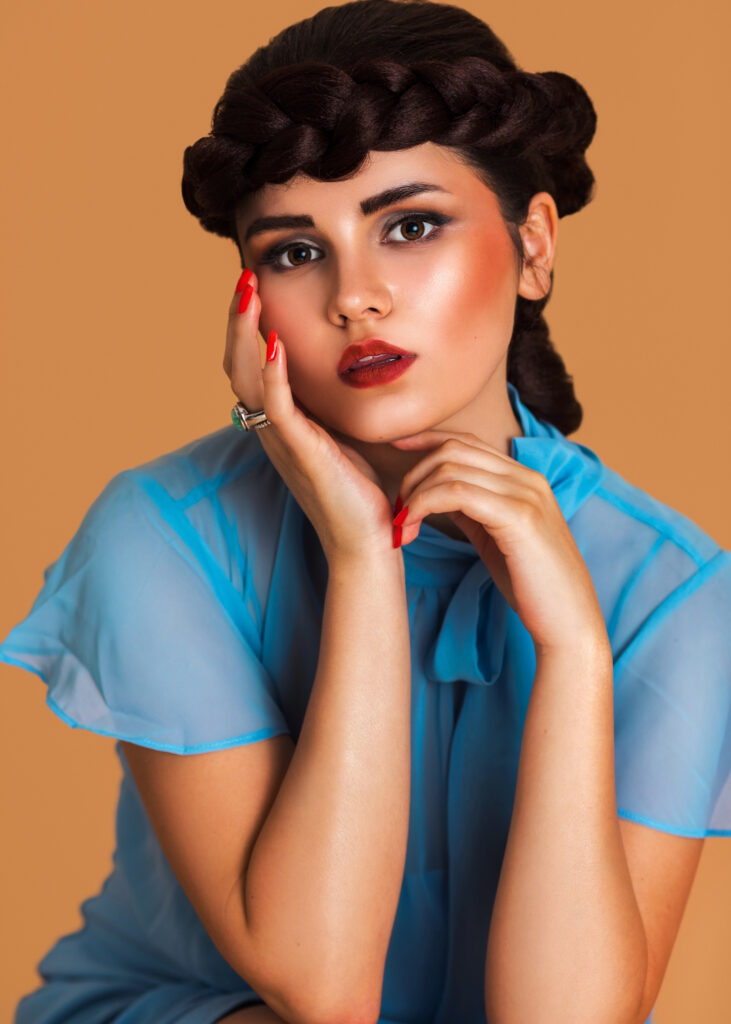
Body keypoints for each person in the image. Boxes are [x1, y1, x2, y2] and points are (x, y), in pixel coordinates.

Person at [2, 1, 730, 1022]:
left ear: (531, 246)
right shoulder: (161, 532)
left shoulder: (672, 589)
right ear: (249, 297)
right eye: (296, 252)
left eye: (411, 225)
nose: (356, 297)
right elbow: (320, 987)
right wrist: (360, 555)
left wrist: (571, 651)